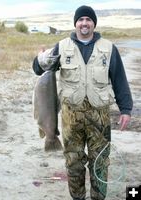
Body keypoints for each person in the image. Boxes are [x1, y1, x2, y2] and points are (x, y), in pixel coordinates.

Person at [32, 5, 133, 200]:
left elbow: (119, 79)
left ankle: (98, 198)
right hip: (71, 117)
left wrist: (126, 109)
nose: (84, 23)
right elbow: (40, 69)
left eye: (88, 19)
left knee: (101, 162)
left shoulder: (109, 48)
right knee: (73, 162)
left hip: (100, 117)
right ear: (75, 24)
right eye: (81, 20)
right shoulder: (62, 46)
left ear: (94, 23)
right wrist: (39, 59)